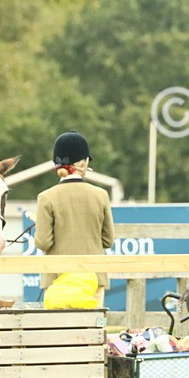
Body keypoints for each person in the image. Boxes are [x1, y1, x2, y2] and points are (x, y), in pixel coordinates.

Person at [34, 131, 115, 306]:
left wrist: (38, 227)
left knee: (59, 331)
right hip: (93, 279)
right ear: (84, 162)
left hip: (58, 280)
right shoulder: (101, 195)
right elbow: (108, 240)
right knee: (92, 330)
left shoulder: (46, 198)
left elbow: (43, 242)